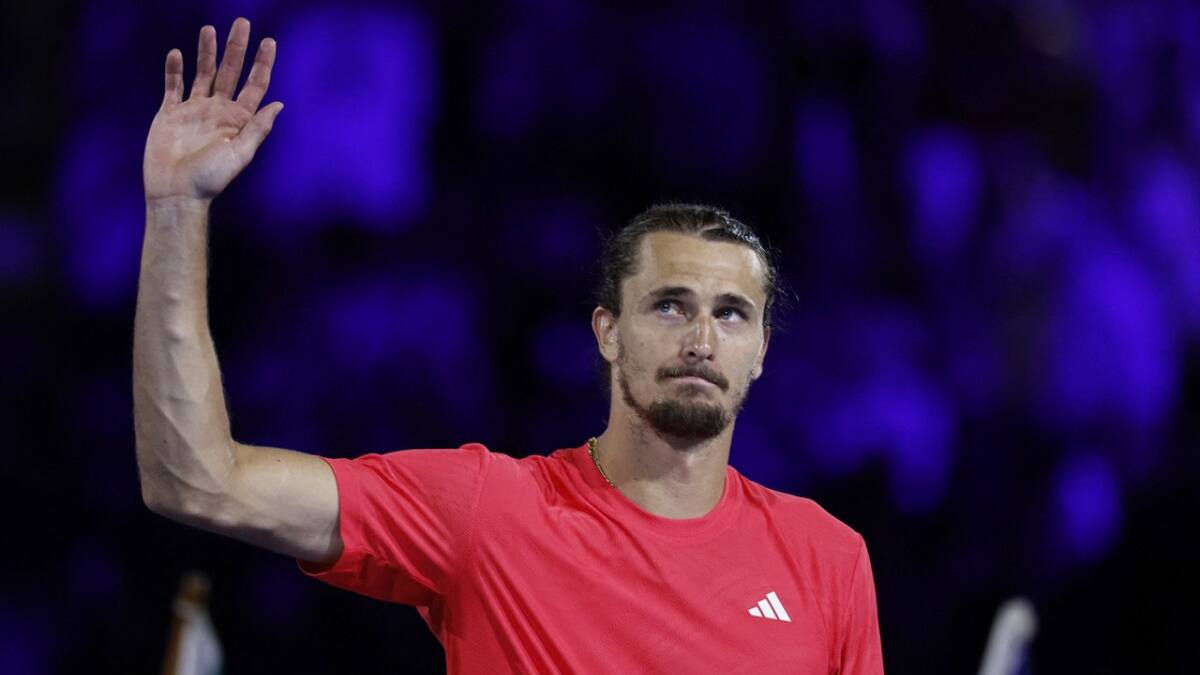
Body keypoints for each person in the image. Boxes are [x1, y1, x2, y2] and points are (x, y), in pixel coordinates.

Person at [134, 18, 885, 675]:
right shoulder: (487, 511)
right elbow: (196, 479)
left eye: (731, 315)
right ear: (608, 332)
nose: (700, 338)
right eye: (669, 304)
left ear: (760, 350)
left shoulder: (828, 556)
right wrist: (177, 210)